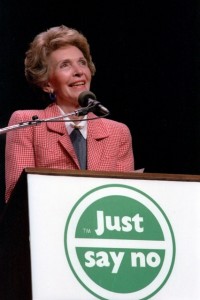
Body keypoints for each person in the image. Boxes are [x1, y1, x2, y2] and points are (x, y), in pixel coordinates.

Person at [5, 25, 134, 202]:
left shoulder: (117, 133)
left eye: (82, 62)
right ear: (47, 83)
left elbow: (124, 200)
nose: (79, 71)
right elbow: (18, 197)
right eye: (65, 65)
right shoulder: (28, 124)